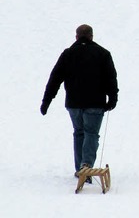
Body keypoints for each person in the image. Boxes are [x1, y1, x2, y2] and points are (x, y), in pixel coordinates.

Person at [40, 24, 119, 182]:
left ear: (76, 37)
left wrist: (46, 101)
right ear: (91, 36)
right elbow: (111, 78)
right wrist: (112, 98)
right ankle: (86, 166)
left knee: (79, 133)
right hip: (95, 103)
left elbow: (55, 78)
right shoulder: (103, 54)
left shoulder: (68, 54)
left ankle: (80, 170)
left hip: (74, 104)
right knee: (91, 133)